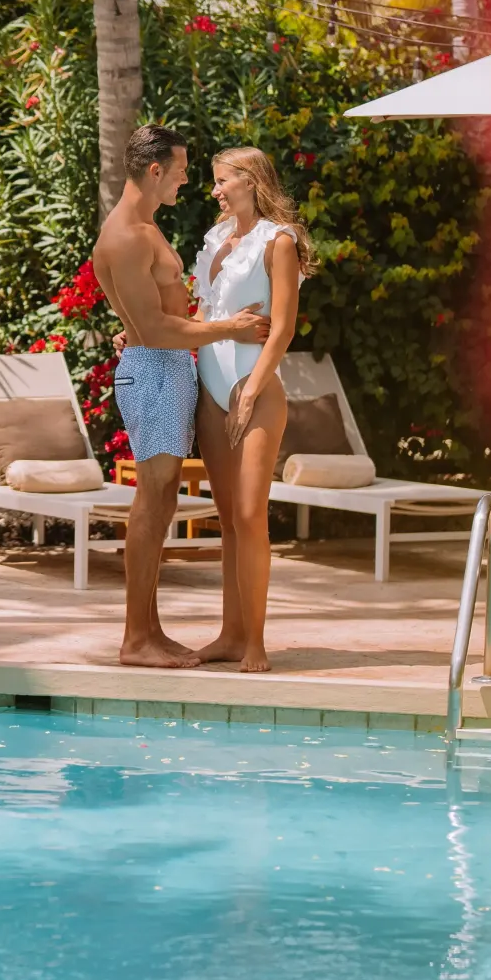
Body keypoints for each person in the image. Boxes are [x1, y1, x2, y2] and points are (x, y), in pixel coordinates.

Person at [91, 125, 270, 668]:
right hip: (155, 372)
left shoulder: (145, 228)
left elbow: (148, 319)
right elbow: (157, 328)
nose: (189, 180)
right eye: (183, 169)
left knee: (164, 497)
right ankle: (135, 639)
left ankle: (150, 630)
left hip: (164, 369)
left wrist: (145, 329)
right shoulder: (127, 235)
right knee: (153, 497)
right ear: (154, 171)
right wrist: (231, 329)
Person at [191, 146, 311, 673]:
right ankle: (230, 634)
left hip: (253, 387)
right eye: (214, 182)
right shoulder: (216, 238)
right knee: (227, 521)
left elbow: (282, 327)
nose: (215, 190)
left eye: (222, 181)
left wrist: (250, 389)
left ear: (251, 180)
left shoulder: (277, 241)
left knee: (249, 515)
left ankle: (257, 642)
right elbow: (202, 312)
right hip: (208, 386)